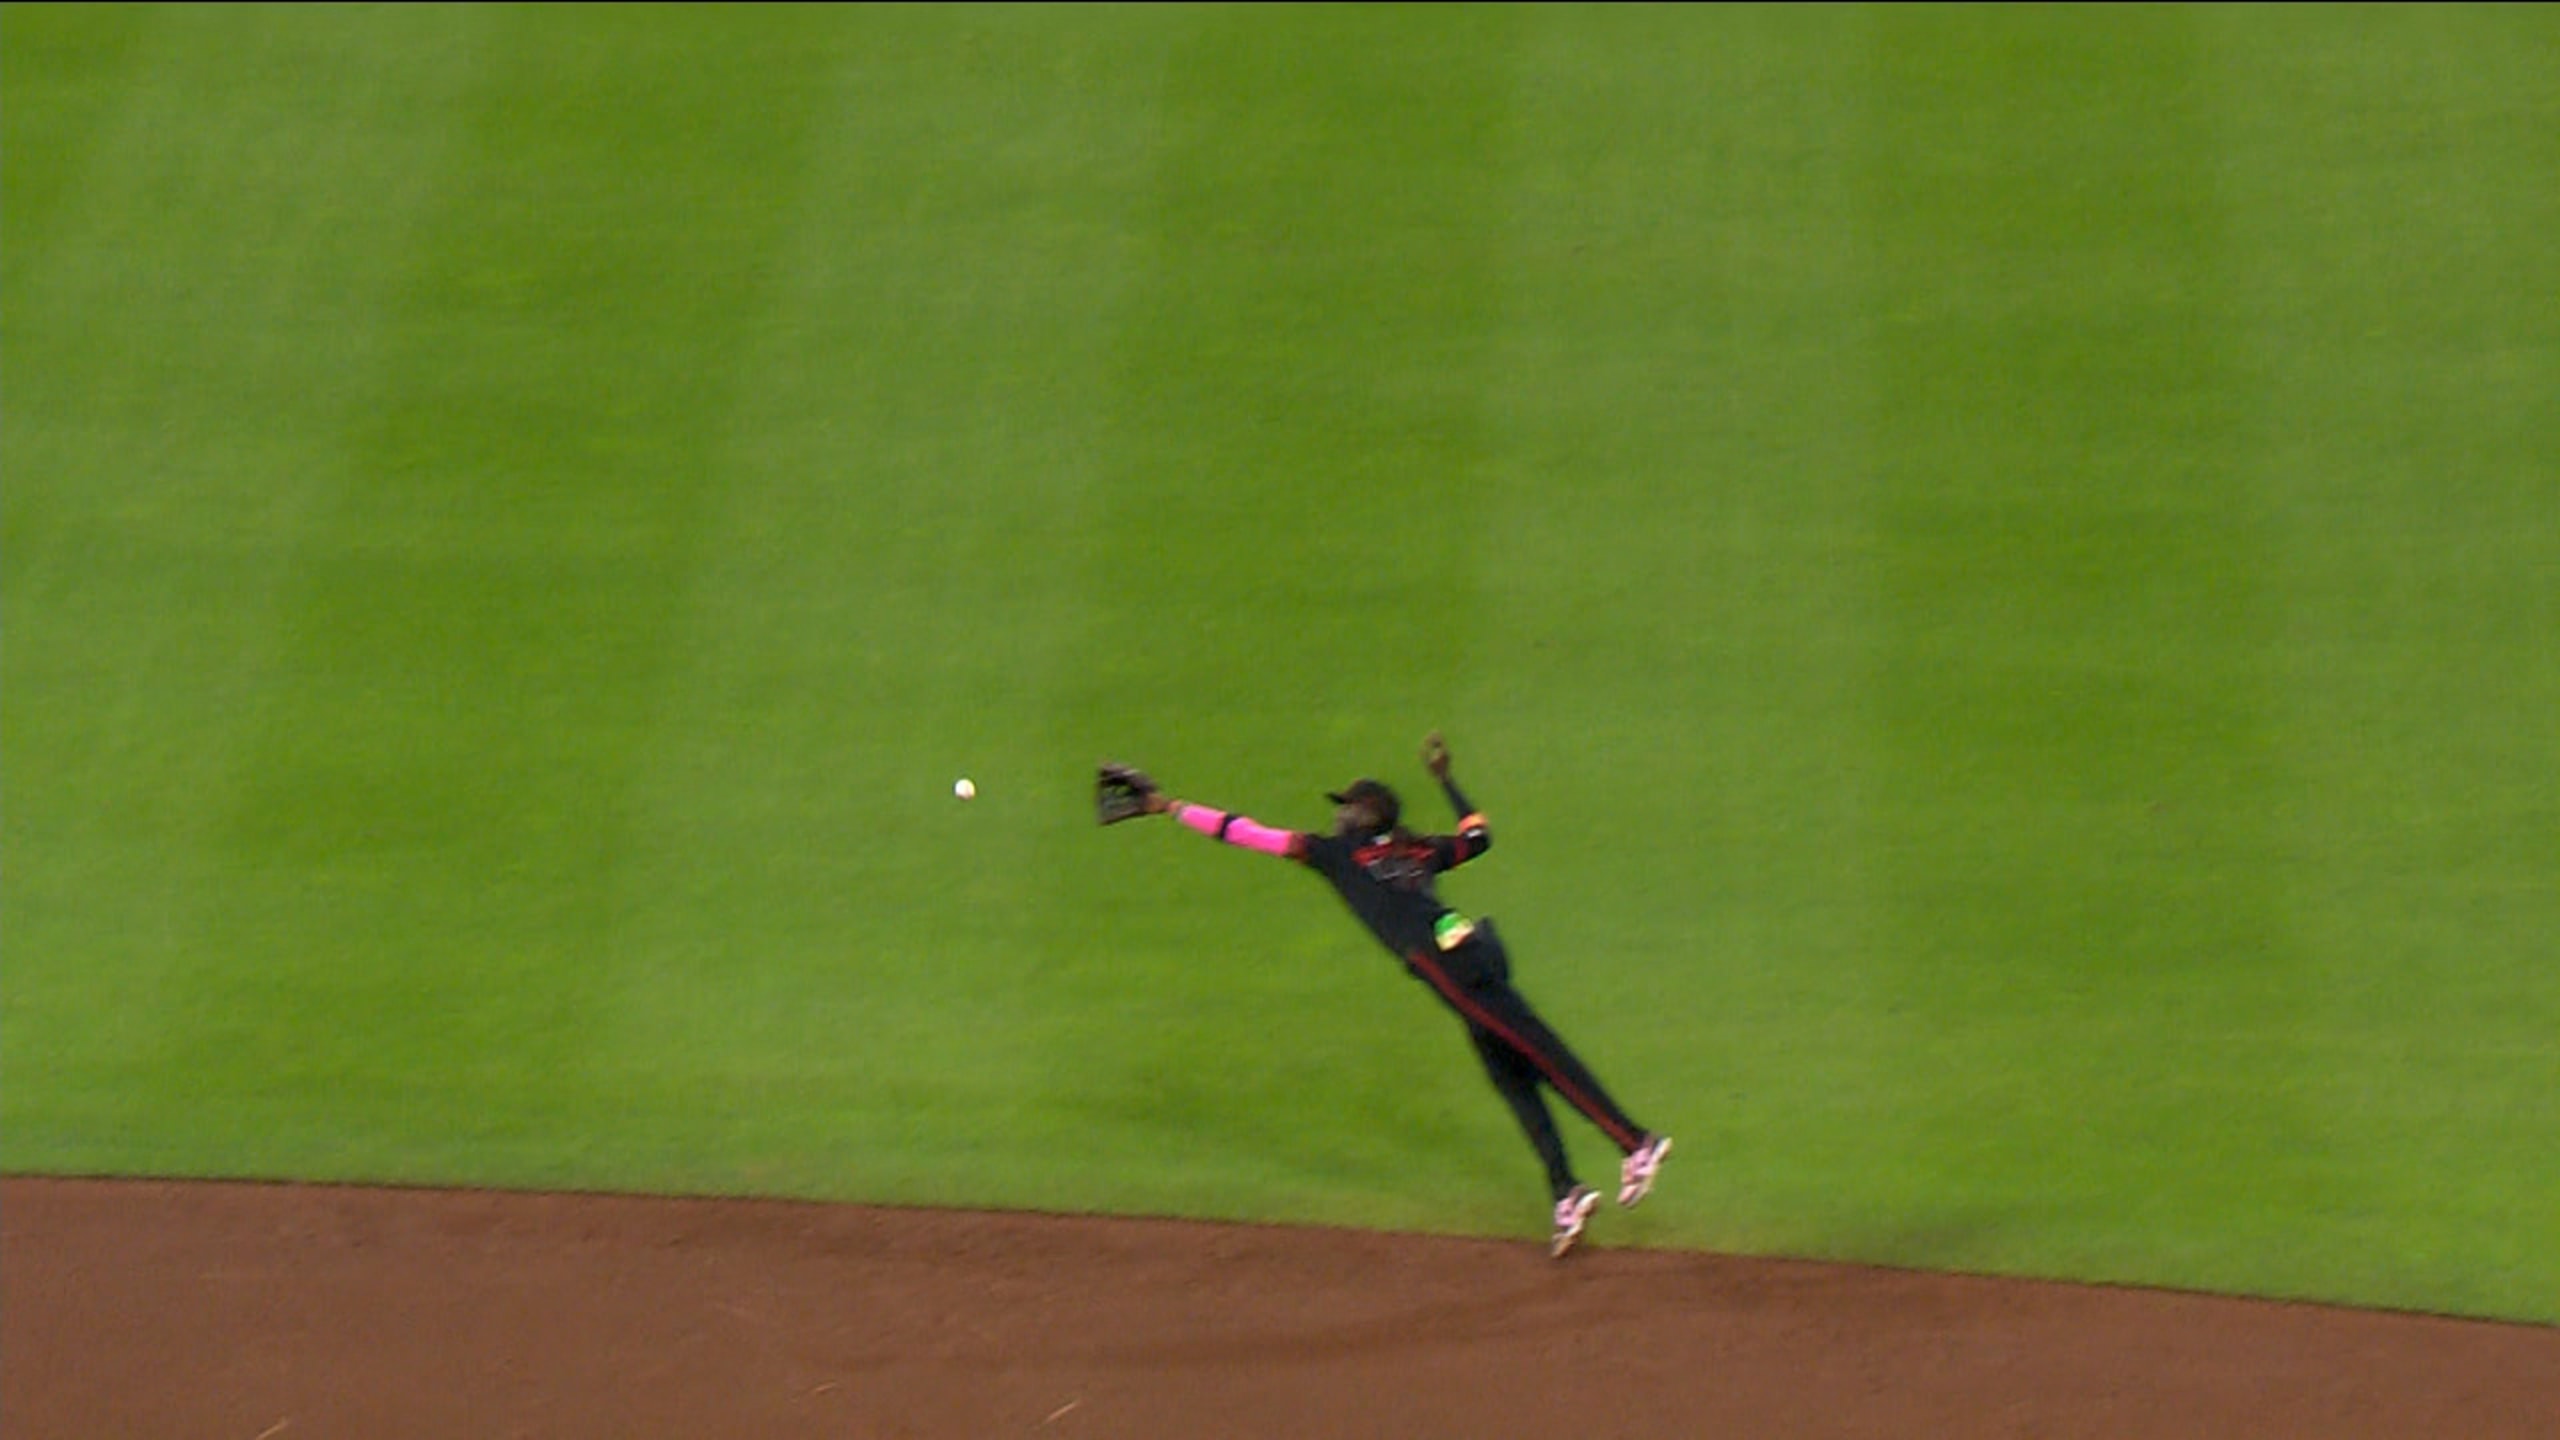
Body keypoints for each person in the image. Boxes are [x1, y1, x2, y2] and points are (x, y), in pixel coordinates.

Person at [1114, 732, 1670, 1258]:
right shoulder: (1418, 848)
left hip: (1447, 962)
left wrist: (1169, 806)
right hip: (1466, 951)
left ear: (1366, 814)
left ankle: (1635, 1142)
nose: (1339, 814)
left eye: (1347, 807)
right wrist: (1447, 781)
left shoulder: (1335, 854)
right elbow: (1478, 836)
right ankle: (1566, 1191)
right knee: (1512, 1077)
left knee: (1540, 1053)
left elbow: (1244, 831)